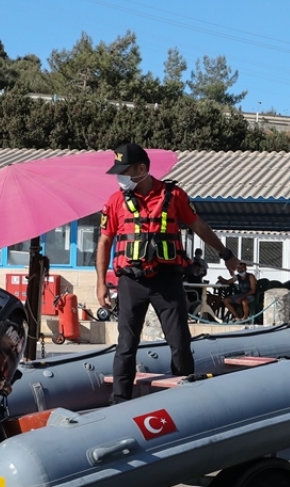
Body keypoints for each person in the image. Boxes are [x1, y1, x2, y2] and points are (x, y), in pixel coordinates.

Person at [95, 143, 238, 404]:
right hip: (131, 282)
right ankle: (119, 403)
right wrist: (101, 283)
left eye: (124, 171)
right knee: (126, 346)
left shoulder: (174, 195)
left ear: (142, 169)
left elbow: (199, 226)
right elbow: (104, 242)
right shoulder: (115, 201)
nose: (120, 177)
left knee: (180, 343)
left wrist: (226, 254)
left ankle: (184, 401)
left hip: (167, 281)